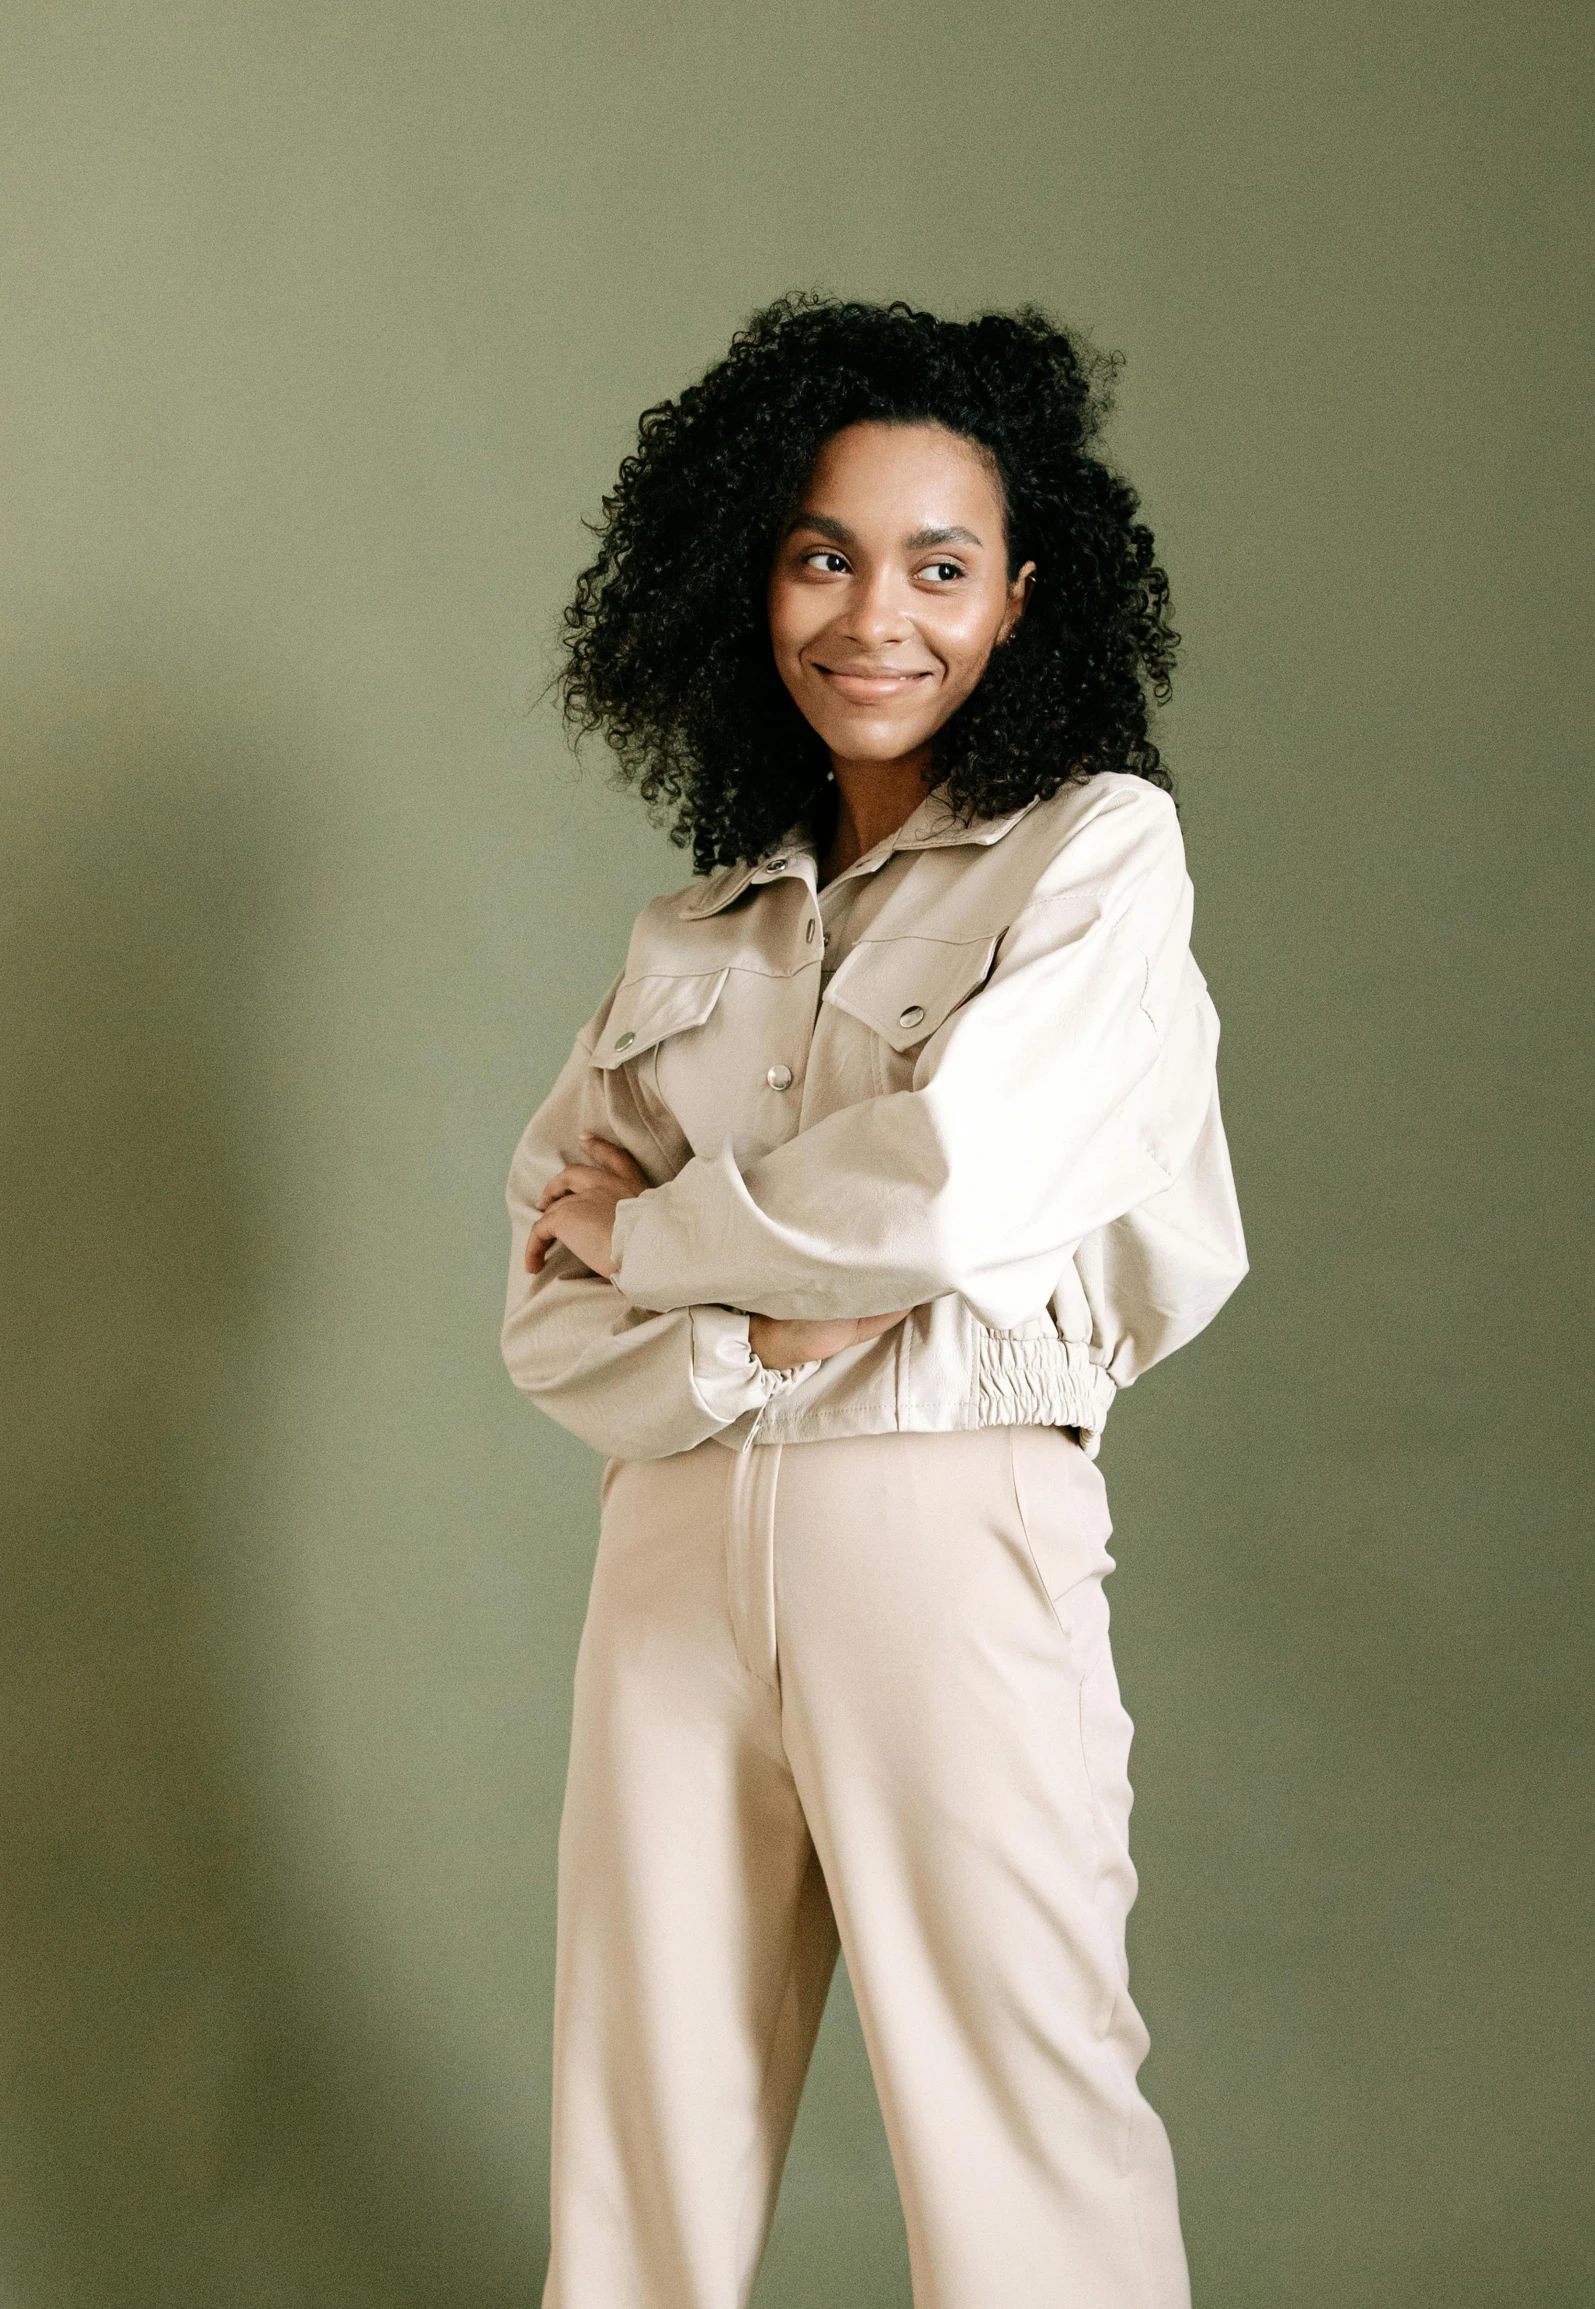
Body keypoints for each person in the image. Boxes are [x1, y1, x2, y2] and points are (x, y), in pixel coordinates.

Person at [502, 292, 1247, 2309]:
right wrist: (747, 1330)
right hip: (668, 1541)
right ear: (750, 578)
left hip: (946, 1509)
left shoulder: (1094, 859)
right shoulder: (693, 925)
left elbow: (948, 1190)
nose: (872, 616)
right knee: (635, 2125)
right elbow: (536, 1307)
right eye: (822, 553)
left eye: (938, 565)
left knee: (1017, 2109)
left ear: (1021, 599)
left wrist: (662, 1237)